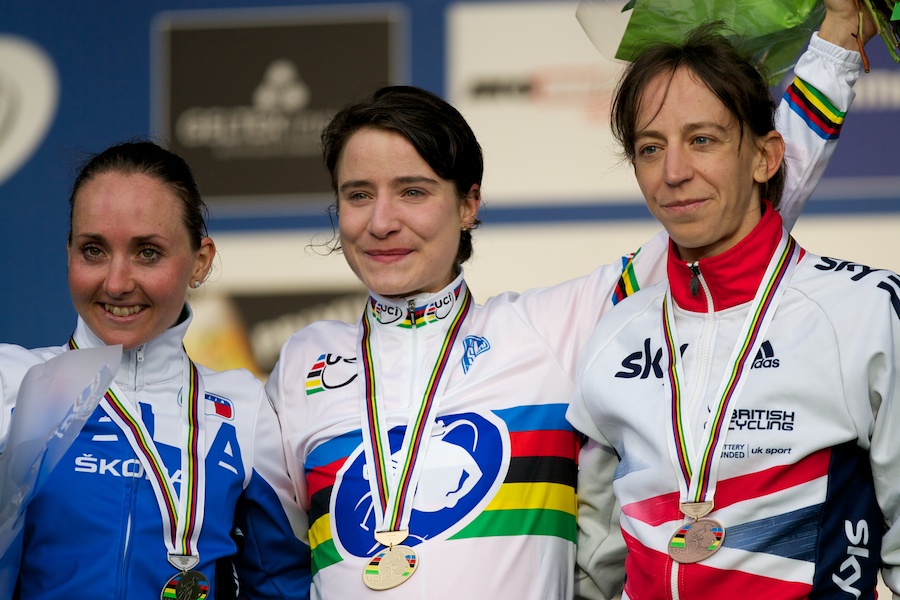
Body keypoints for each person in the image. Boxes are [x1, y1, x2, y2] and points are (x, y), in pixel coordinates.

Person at [266, 3, 874, 598]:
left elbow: (735, 204)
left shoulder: (556, 328)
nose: (381, 222)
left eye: (413, 191)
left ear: (469, 205)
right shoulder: (300, 366)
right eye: (358, 195)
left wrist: (835, 48)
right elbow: (270, 562)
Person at [566, 16, 899, 600]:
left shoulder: (864, 313)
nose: (674, 173)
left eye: (703, 140)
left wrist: (837, 42)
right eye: (650, 148)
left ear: (766, 157)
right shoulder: (616, 332)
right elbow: (590, 569)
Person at [0, 141, 309, 599]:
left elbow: (280, 586)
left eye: (147, 252)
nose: (116, 283)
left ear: (200, 261)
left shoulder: (244, 410)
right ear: (68, 253)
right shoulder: (12, 383)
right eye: (93, 250)